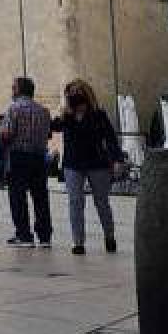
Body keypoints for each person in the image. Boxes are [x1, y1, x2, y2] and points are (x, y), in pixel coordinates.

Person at [52, 80, 123, 255]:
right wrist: (62, 112)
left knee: (102, 202)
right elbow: (54, 127)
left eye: (78, 94)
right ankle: (78, 242)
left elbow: (110, 138)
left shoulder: (98, 115)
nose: (75, 98)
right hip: (73, 164)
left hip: (96, 162)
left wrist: (117, 160)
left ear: (87, 96)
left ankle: (109, 236)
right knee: (75, 201)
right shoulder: (67, 116)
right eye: (71, 94)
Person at [1, 77, 53, 248]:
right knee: (40, 197)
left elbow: (7, 133)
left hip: (19, 156)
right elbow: (48, 134)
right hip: (39, 157)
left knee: (18, 196)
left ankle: (24, 235)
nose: (11, 91)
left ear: (18, 90)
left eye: (13, 88)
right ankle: (45, 237)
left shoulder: (14, 108)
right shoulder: (44, 111)